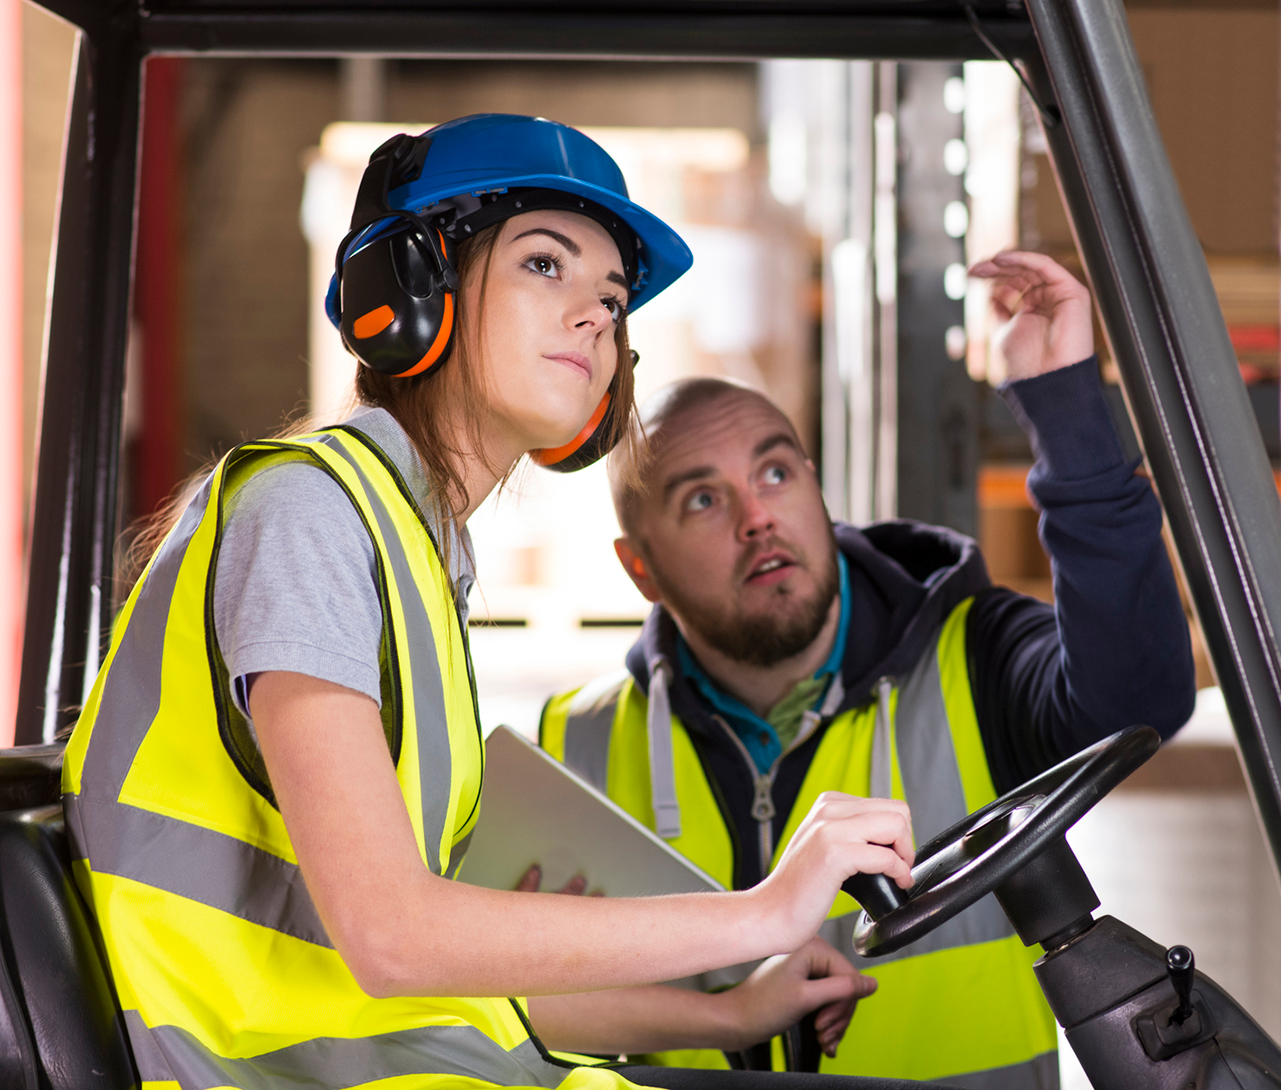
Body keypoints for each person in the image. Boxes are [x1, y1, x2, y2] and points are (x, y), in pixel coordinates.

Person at [61, 114, 945, 1090]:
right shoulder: (307, 514)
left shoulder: (417, 555)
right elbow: (391, 938)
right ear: (406, 291)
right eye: (544, 266)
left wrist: (731, 1006)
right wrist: (764, 912)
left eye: (612, 298)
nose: (595, 316)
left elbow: (455, 976)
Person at [541, 250, 1197, 1089]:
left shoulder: (976, 657)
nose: (757, 518)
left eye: (775, 472)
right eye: (702, 499)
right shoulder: (578, 743)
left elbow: (1138, 697)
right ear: (642, 570)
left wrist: (1064, 405)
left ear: (815, 489)